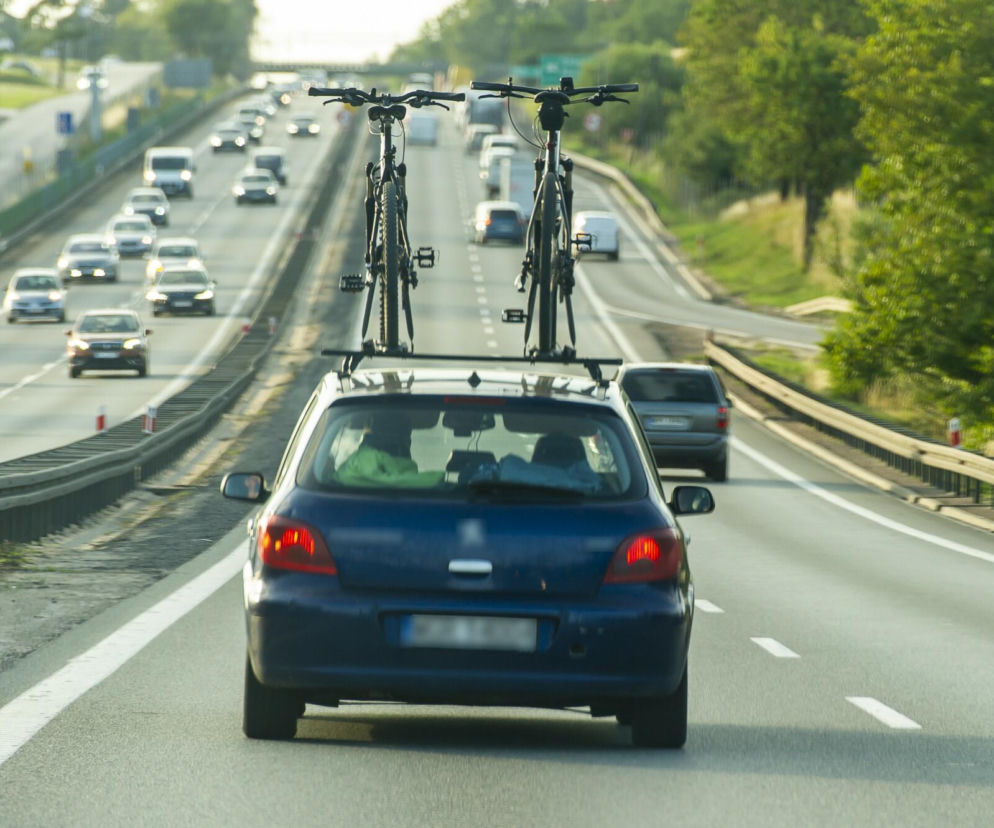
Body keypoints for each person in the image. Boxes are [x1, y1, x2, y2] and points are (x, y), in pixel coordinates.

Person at [335, 411, 443, 488]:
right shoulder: (433, 487)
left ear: (367, 439)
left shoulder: (338, 478)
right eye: (407, 439)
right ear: (404, 442)